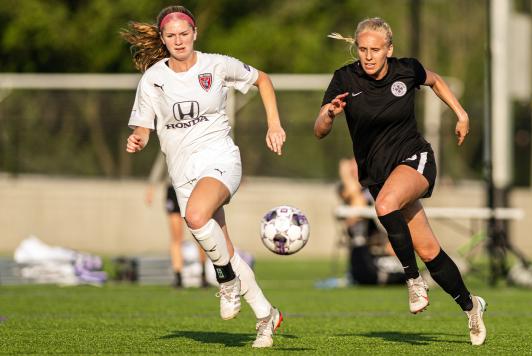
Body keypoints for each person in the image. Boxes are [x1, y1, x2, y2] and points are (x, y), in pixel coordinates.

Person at [314, 18, 487, 345]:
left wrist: (461, 114)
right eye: (363, 49)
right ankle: (471, 305)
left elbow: (435, 81)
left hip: (415, 159)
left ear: (389, 50)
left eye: (375, 50)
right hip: (379, 175)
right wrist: (329, 114)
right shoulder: (344, 79)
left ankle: (412, 280)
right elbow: (319, 130)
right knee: (428, 249)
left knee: (385, 204)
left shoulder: (406, 70)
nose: (368, 56)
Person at [121, 5, 285, 348]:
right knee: (224, 248)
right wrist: (138, 138)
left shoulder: (216, 64)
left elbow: (263, 80)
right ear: (163, 40)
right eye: (171, 35)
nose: (178, 40)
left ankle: (225, 282)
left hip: (220, 158)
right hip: (182, 172)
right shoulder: (153, 79)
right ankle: (266, 314)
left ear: (195, 33)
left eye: (184, 33)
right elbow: (144, 126)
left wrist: (274, 124)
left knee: (196, 217)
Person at [338, 158, 406, 286]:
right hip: (361, 244)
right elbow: (354, 197)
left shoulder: (374, 185)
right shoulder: (346, 189)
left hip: (380, 241)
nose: (356, 168)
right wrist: (346, 175)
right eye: (353, 165)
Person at [145, 154, 209, 288]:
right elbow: (161, 163)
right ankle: (178, 276)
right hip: (173, 189)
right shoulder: (169, 135)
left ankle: (203, 275)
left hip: (194, 187)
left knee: (200, 233)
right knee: (176, 236)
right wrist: (152, 186)